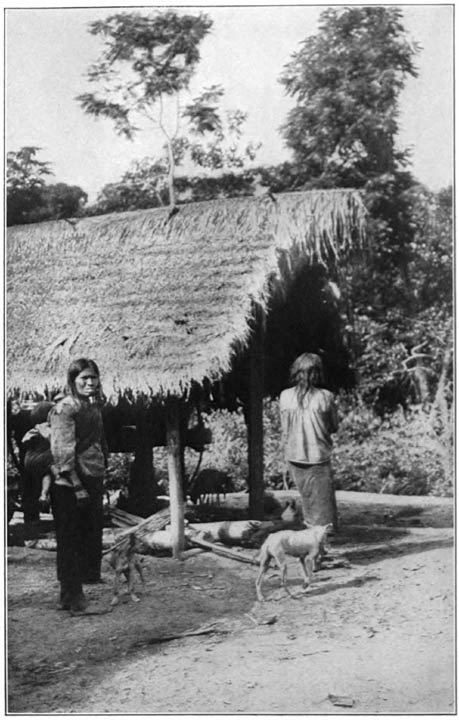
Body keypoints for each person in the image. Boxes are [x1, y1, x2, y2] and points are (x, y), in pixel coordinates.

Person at [49, 358, 108, 614]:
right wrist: (76, 485)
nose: (89, 382)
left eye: (93, 377)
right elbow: (62, 450)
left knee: (87, 535)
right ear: (73, 380)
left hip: (90, 477)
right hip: (69, 482)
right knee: (69, 538)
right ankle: (73, 597)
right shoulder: (65, 408)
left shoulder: (91, 407)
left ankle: (71, 595)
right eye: (83, 378)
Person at [279, 353, 339, 530]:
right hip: (318, 456)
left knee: (307, 502)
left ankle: (310, 546)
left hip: (295, 456)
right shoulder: (326, 397)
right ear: (318, 373)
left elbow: (285, 428)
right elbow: (334, 426)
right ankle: (320, 548)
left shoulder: (284, 396)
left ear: (296, 373)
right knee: (323, 507)